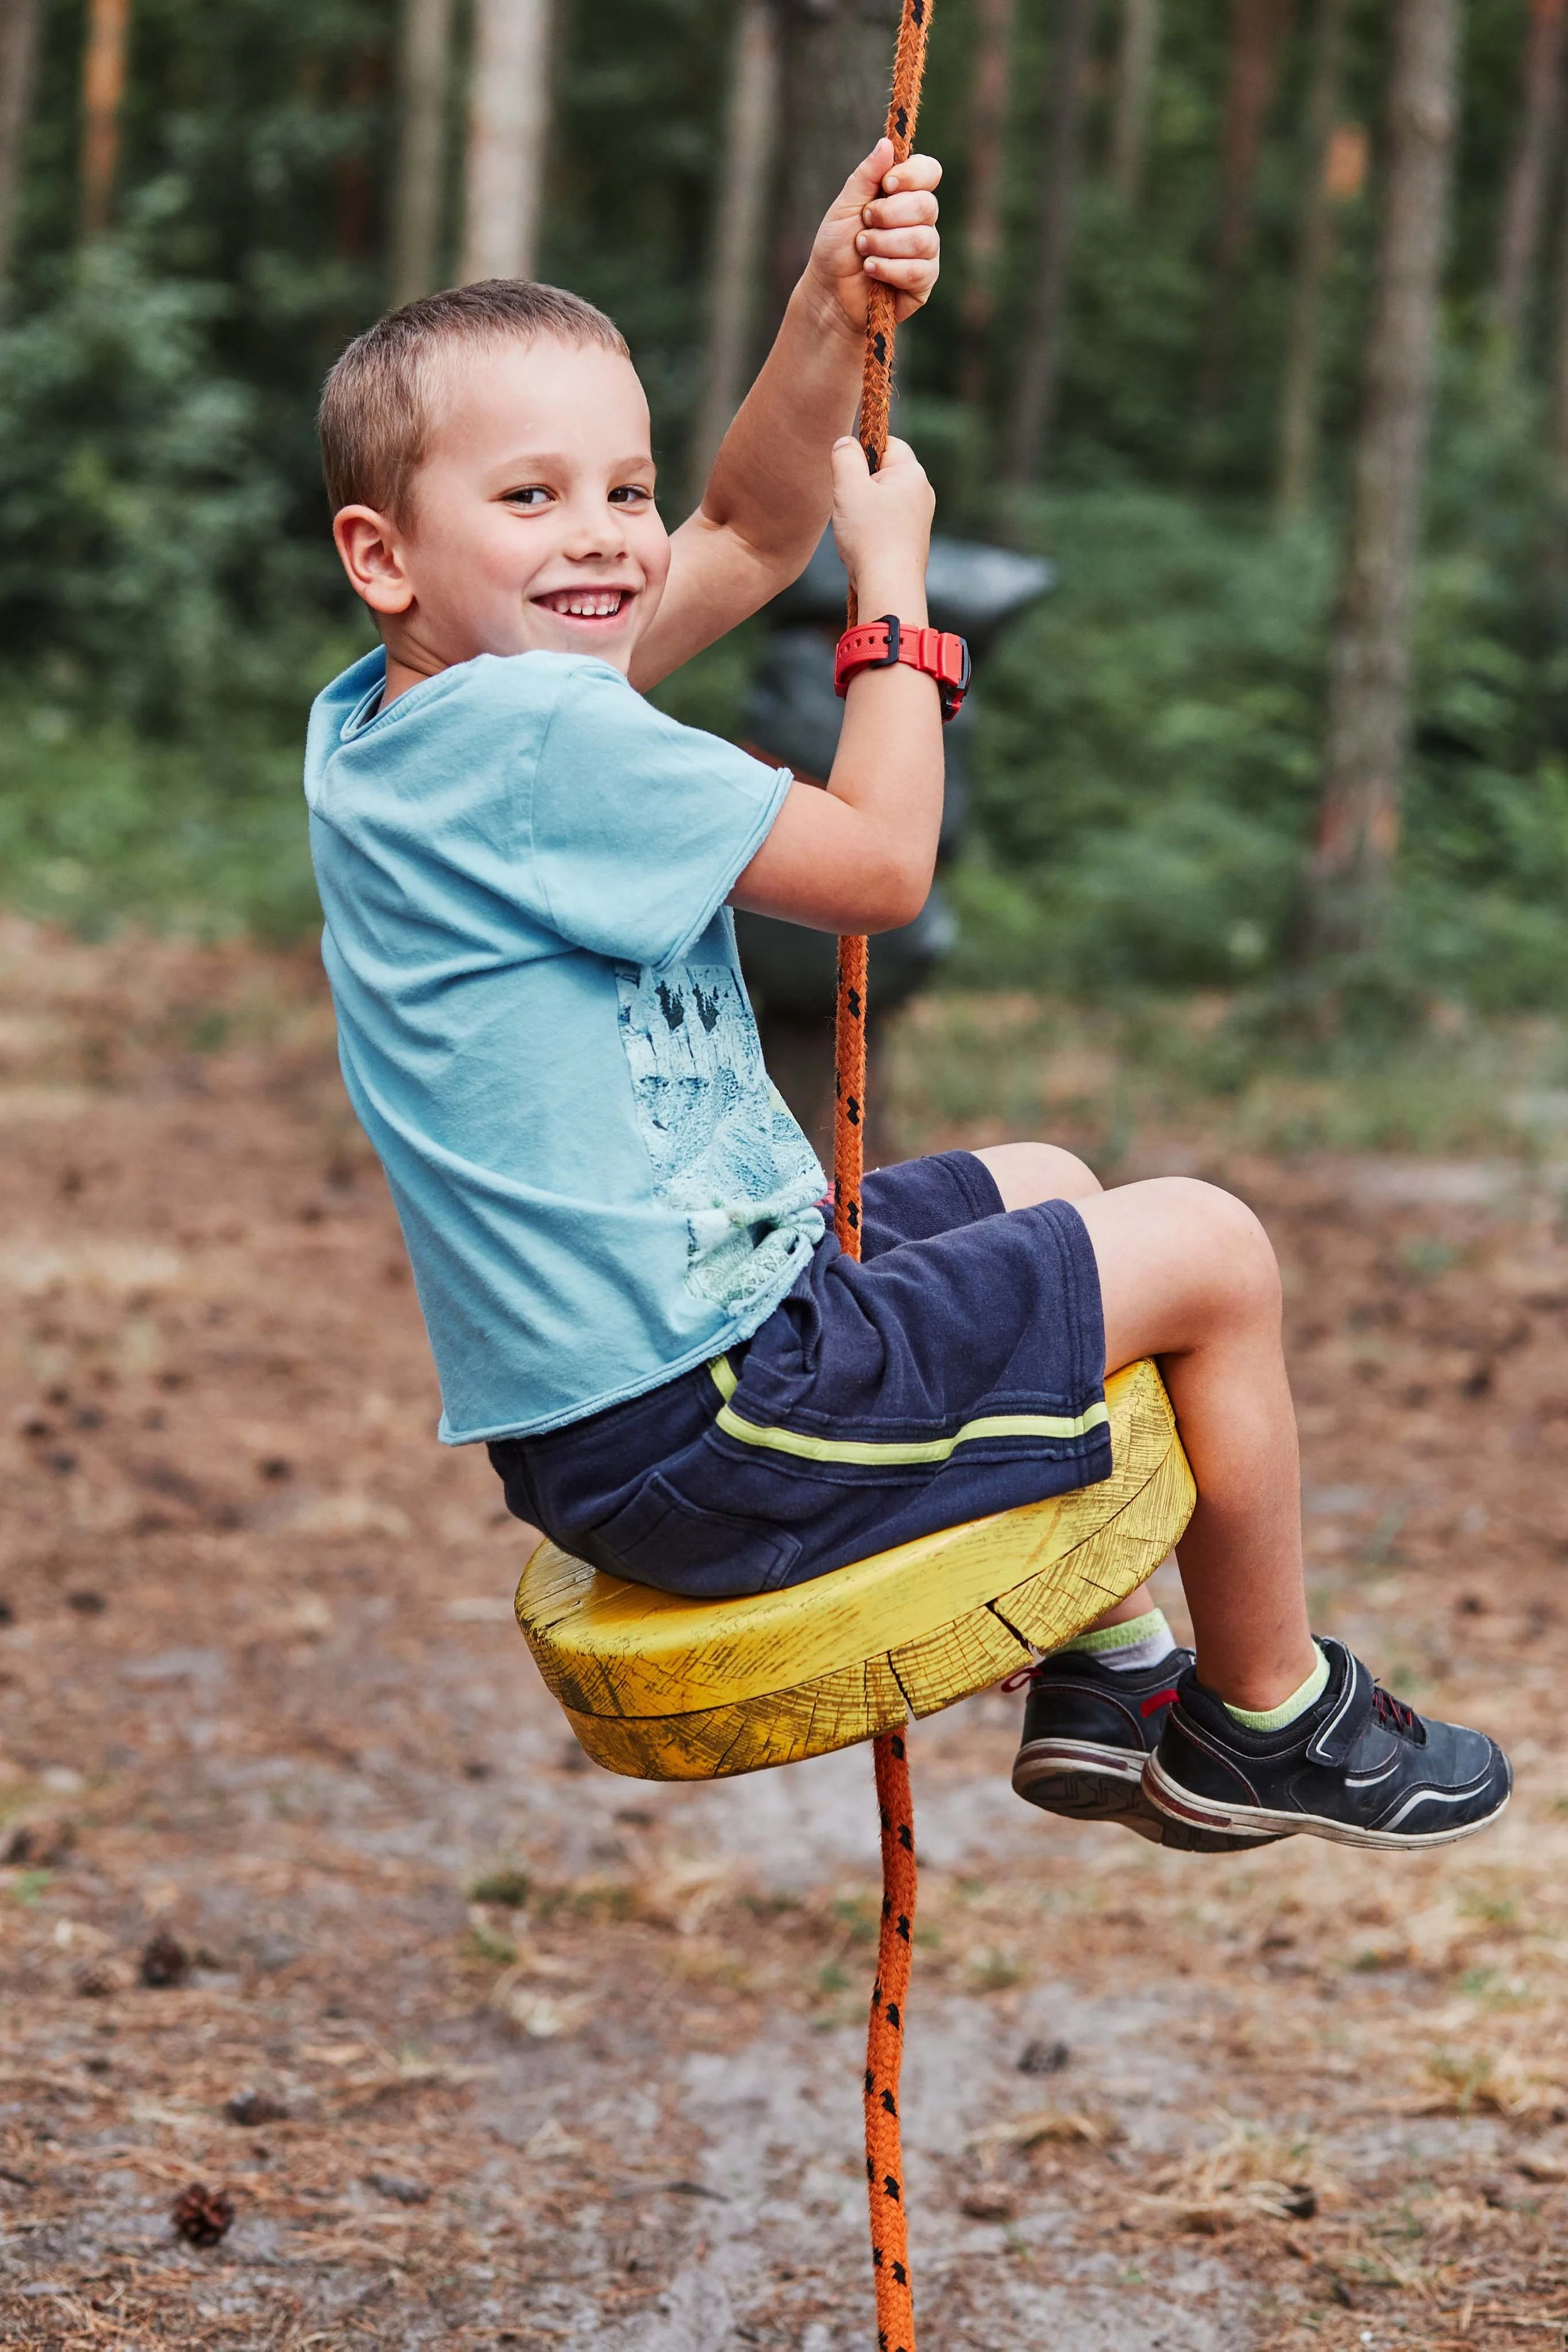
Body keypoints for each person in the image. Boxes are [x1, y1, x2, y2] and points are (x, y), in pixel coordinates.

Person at [305, 141, 1509, 1855]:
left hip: (640, 1407)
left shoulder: (398, 723)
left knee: (1046, 1182)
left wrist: (826, 308)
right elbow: (879, 866)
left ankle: (1108, 1675)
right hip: (723, 1414)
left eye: (623, 489)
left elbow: (742, 530)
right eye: (531, 498)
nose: (606, 539)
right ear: (384, 553)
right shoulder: (542, 732)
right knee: (1212, 1247)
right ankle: (1269, 1716)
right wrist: (895, 590)